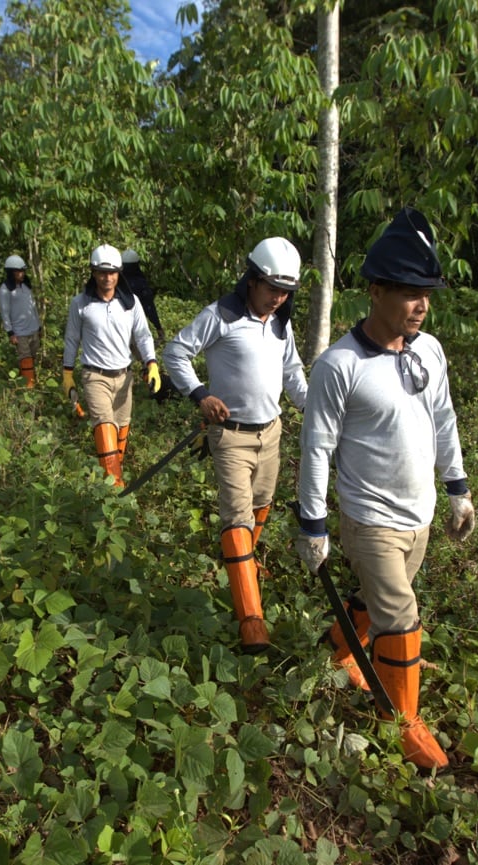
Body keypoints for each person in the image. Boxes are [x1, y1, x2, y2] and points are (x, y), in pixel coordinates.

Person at [294, 207, 476, 770]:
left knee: (379, 604)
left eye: (427, 294)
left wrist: (457, 490)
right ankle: (404, 722)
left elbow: (443, 419)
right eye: (409, 293)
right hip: (369, 518)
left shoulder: (430, 350)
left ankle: (340, 647)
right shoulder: (339, 366)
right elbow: (317, 448)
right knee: (402, 615)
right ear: (375, 292)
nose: (421, 305)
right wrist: (313, 525)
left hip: (418, 514)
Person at [162, 237, 309, 653]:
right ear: (251, 280)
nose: (278, 298)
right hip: (231, 436)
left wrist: (314, 407)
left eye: (286, 292)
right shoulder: (220, 315)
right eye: (271, 289)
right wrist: (200, 395)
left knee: (261, 505)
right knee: (237, 518)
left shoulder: (282, 322)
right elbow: (176, 352)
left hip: (272, 432)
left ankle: (245, 569)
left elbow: (293, 372)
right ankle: (251, 620)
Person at [62, 244, 161, 486]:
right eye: (102, 272)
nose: (107, 278)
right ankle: (116, 489)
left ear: (119, 273)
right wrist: (67, 373)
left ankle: (110, 480)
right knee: (104, 427)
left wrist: (152, 363)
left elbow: (143, 336)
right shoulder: (81, 303)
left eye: (112, 272)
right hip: (95, 376)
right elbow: (72, 338)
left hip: (124, 377)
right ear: (93, 273)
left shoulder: (131, 303)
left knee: (121, 431)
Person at [121, 248, 176, 402]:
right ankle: (154, 391)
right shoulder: (140, 282)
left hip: (119, 330)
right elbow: (149, 307)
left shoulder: (115, 283)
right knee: (146, 361)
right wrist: (158, 327)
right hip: (136, 330)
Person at [0, 254, 41, 388]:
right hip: (20, 332)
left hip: (33, 329)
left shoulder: (26, 287)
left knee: (33, 358)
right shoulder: (5, 290)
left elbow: (32, 307)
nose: (21, 274)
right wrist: (10, 332)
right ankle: (28, 389)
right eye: (18, 271)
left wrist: (39, 326)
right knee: (25, 360)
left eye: (23, 271)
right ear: (11, 272)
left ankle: (34, 383)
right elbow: (4, 312)